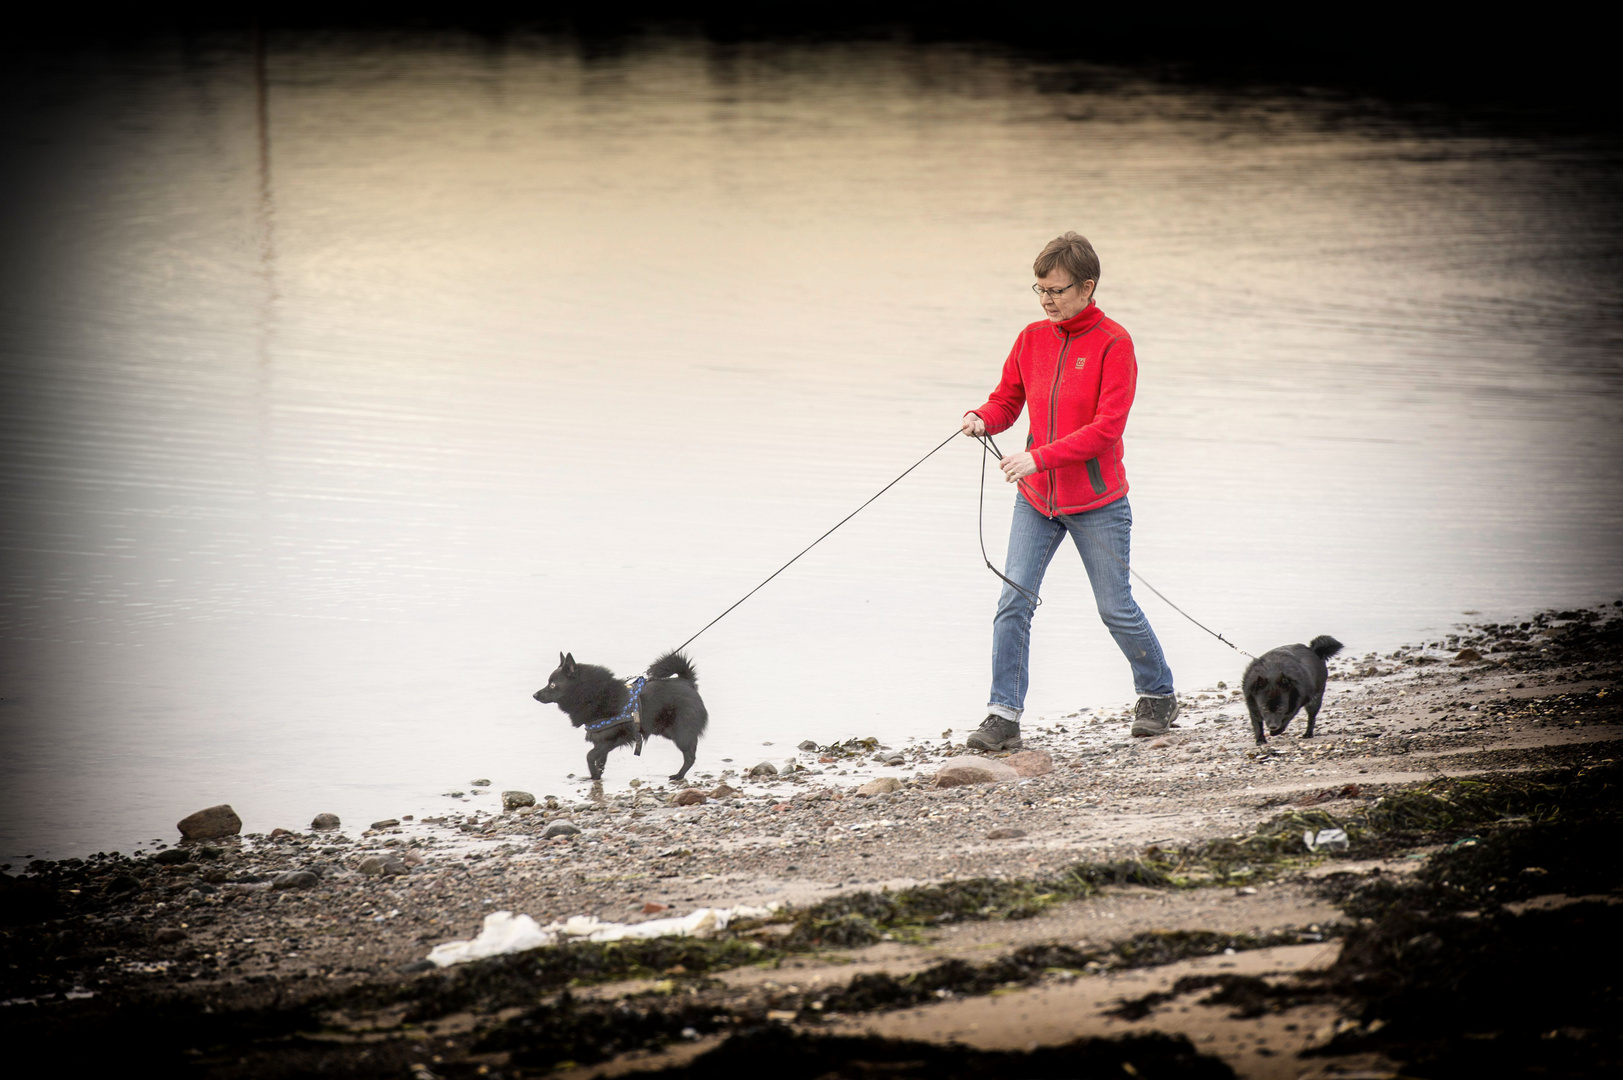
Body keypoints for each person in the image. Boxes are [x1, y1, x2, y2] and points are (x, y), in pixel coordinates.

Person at [961, 231, 1176, 751]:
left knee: (1115, 608)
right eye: (1038, 290)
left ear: (1087, 286)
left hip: (1098, 502)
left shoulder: (1114, 343)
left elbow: (1106, 430)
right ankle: (1003, 714)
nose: (1046, 301)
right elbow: (1007, 401)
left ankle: (1158, 693)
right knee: (1014, 599)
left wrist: (1037, 457)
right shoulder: (1031, 338)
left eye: (1055, 290)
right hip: (1037, 501)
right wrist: (981, 418)